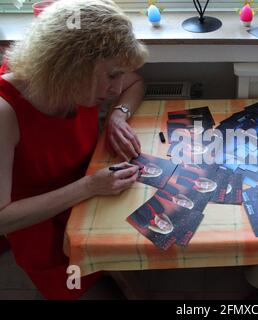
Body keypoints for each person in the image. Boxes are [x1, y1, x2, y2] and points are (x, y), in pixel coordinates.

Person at [0, 0, 149, 299]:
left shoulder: (70, 83)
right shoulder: (5, 112)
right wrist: (89, 186)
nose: (117, 88)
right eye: (111, 76)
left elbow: (136, 84)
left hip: (94, 197)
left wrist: (118, 116)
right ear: (70, 68)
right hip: (43, 229)